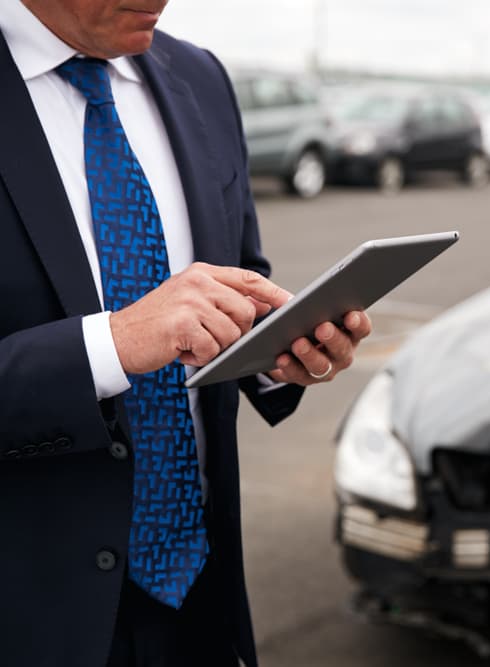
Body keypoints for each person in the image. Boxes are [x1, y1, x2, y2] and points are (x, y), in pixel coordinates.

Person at [0, 1, 372, 665]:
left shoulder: (201, 78)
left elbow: (241, 274)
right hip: (31, 614)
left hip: (201, 594)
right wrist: (111, 344)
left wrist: (279, 349)